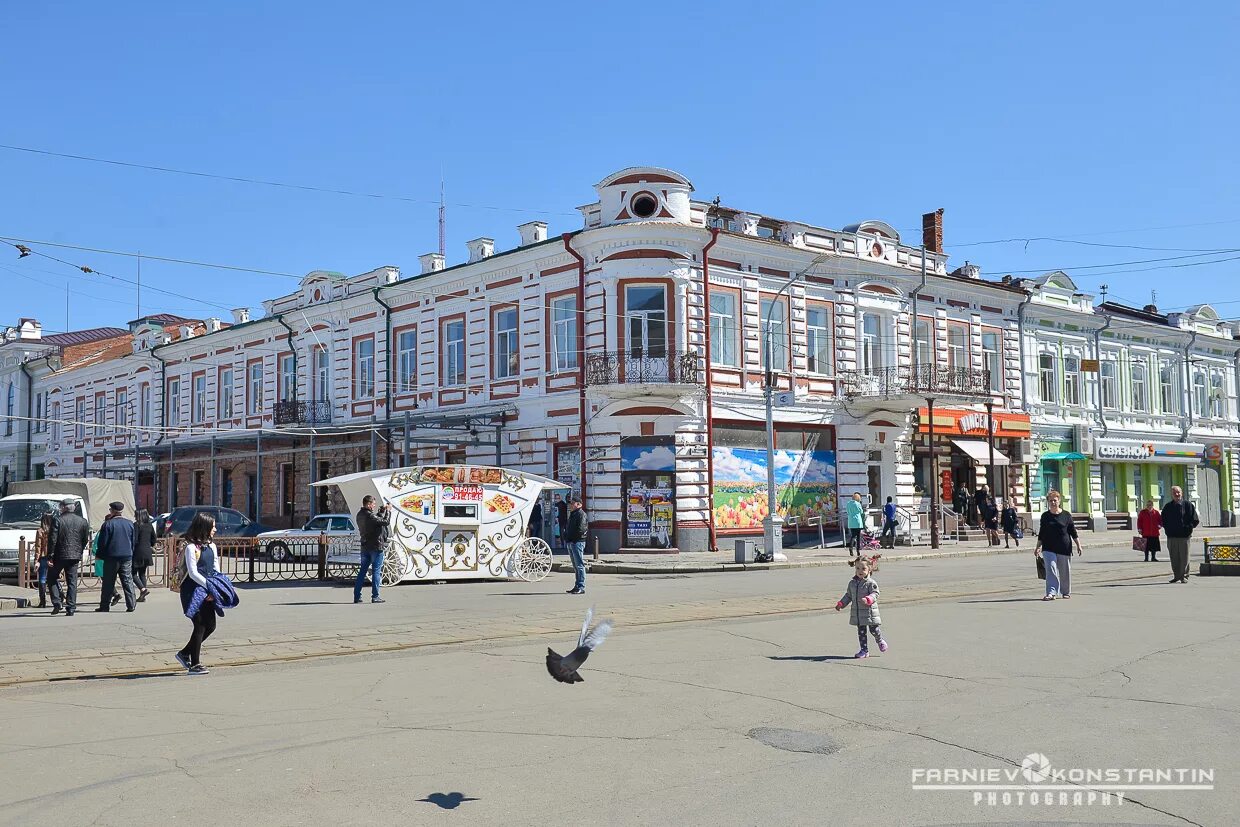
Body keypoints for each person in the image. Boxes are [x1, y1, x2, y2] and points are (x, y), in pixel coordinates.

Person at [176, 513, 222, 675]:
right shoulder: (190, 547)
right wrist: (209, 587)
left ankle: (184, 653)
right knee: (200, 624)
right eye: (213, 526)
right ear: (204, 527)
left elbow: (215, 568)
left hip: (208, 590)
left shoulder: (212, 546)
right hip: (192, 590)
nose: (215, 529)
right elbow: (193, 573)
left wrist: (217, 586)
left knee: (211, 626)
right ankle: (195, 664)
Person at [1034, 490, 1082, 601]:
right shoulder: (1045, 516)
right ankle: (1051, 592)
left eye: (1055, 500)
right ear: (1048, 502)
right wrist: (1038, 547)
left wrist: (1078, 545)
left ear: (1059, 501)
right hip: (1048, 547)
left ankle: (1065, 592)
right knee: (1051, 569)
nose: (1053, 503)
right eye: (1050, 501)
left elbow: (1073, 532)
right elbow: (1042, 533)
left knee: (1064, 571)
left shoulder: (1066, 515)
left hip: (1064, 547)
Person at [835, 556, 887, 658]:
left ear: (869, 569)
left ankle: (880, 640)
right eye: (858, 568)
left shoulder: (871, 583)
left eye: (863, 569)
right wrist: (841, 604)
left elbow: (875, 593)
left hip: (869, 613)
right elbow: (848, 595)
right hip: (858, 613)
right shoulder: (852, 583)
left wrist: (869, 599)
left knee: (874, 630)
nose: (860, 571)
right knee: (861, 633)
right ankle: (864, 650)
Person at [47, 499, 89, 616]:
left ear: (64, 507)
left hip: (59, 555)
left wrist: (50, 556)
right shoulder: (82, 521)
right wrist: (79, 551)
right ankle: (71, 608)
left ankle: (57, 602)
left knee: (51, 577)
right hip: (74, 555)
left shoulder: (58, 520)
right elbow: (85, 539)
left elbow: (52, 539)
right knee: (72, 582)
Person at [96, 502, 137, 612]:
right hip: (126, 556)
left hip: (111, 557)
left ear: (113, 511)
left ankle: (105, 606)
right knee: (127, 580)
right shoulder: (129, 524)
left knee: (108, 582)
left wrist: (99, 555)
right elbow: (133, 541)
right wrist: (131, 553)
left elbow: (102, 543)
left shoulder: (108, 524)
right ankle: (131, 604)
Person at [354, 495, 391, 604]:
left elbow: (376, 522)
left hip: (365, 547)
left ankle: (357, 596)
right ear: (369, 504)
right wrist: (388, 511)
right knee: (376, 571)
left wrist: (380, 512)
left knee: (362, 572)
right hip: (375, 546)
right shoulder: (370, 516)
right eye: (373, 504)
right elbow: (385, 522)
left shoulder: (360, 515)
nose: (374, 506)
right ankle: (375, 596)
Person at [1160, 486, 1199, 584]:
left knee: (1184, 557)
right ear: (1172, 494)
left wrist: (1188, 529)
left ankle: (1184, 576)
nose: (1177, 494)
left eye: (1178, 492)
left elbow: (1195, 519)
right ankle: (1176, 576)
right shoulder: (1168, 506)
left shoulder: (1188, 505)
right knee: (1174, 557)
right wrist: (1168, 529)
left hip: (1184, 537)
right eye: (1174, 493)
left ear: (1181, 493)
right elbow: (1163, 520)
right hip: (1172, 536)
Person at [563, 496, 589, 595]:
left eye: (572, 503)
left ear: (579, 504)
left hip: (577, 542)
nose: (571, 505)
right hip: (571, 542)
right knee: (575, 566)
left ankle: (581, 586)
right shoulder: (573, 514)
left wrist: (573, 539)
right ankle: (577, 585)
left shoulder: (581, 514)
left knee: (579, 565)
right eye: (570, 503)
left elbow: (581, 529)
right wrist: (567, 537)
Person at [132, 509, 156, 602]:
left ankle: (143, 589)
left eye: (135, 515)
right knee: (142, 573)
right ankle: (143, 596)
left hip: (138, 551)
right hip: (147, 551)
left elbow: (135, 539)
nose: (134, 516)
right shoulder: (149, 525)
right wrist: (149, 545)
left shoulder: (136, 525)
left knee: (132, 573)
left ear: (139, 516)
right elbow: (154, 538)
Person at [34, 511, 54, 609]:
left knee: (42, 578)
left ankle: (42, 601)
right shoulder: (55, 530)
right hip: (53, 557)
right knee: (54, 577)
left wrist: (36, 560)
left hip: (43, 557)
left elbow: (38, 547)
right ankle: (60, 597)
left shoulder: (40, 531)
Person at [1136, 499, 1162, 563]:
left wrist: (1159, 526)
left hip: (1154, 532)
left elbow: (1160, 520)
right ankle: (1146, 558)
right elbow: (1139, 521)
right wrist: (1139, 529)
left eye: (1150, 505)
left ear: (1152, 505)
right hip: (1146, 532)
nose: (1149, 506)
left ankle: (1153, 557)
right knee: (1146, 546)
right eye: (1148, 505)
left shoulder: (1156, 512)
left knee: (1154, 546)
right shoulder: (1142, 512)